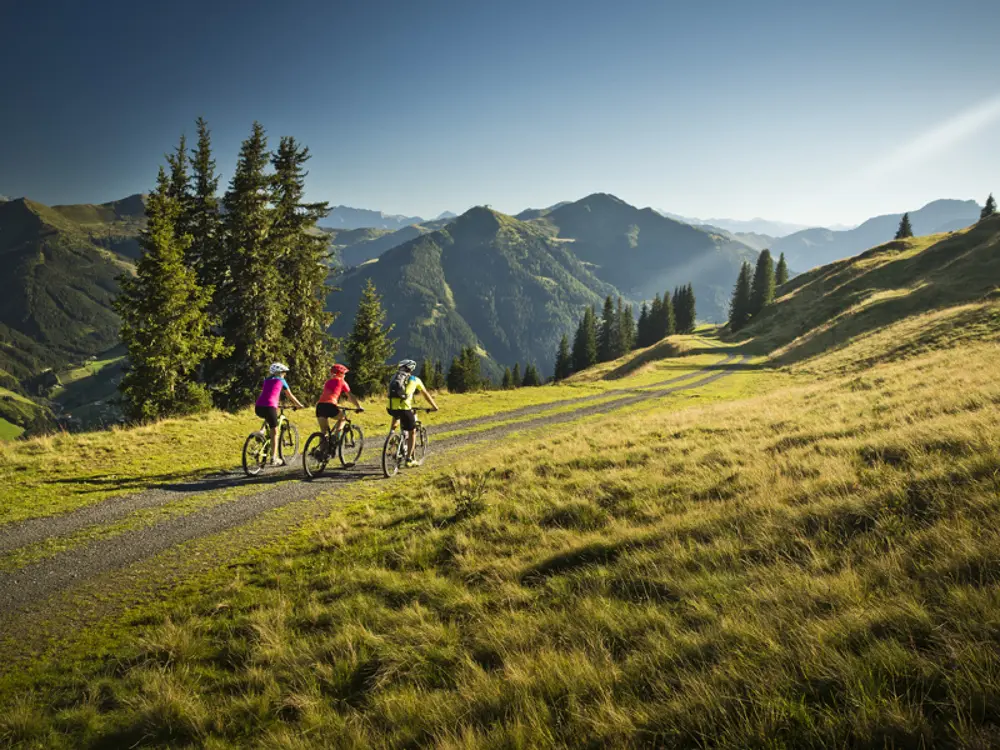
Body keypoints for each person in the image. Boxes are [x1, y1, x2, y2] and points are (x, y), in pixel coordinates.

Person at [387, 358, 438, 467]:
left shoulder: (394, 377)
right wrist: (434, 406)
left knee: (397, 416)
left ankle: (391, 437)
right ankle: (409, 459)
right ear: (411, 369)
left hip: (390, 407)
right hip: (405, 408)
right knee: (412, 432)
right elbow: (425, 394)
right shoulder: (415, 379)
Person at [254, 363, 304, 465]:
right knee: (275, 433)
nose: (285, 374)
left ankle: (262, 431)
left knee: (269, 418)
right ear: (280, 373)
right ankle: (274, 458)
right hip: (270, 406)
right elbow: (290, 395)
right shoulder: (281, 380)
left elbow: (270, 393)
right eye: (284, 372)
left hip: (258, 407)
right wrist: (299, 405)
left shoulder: (267, 380)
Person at [316, 363, 364, 453]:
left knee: (323, 432)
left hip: (320, 406)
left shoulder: (328, 382)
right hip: (330, 405)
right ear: (340, 374)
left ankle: (321, 453)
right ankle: (336, 437)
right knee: (343, 418)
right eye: (344, 373)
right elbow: (350, 396)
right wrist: (358, 406)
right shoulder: (342, 382)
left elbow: (328, 395)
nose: (345, 375)